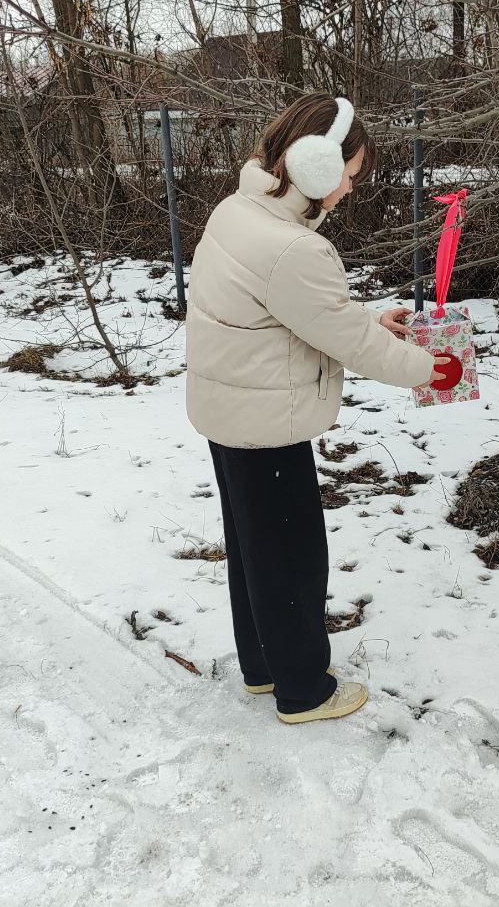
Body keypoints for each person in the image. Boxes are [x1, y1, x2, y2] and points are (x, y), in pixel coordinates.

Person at [185, 93, 449, 725]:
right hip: (267, 424)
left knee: (255, 551)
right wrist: (432, 367)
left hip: (232, 414)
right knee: (293, 559)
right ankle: (303, 689)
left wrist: (367, 317)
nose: (350, 190)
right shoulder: (295, 249)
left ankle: (264, 667)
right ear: (313, 166)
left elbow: (299, 313)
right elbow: (348, 340)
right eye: (348, 175)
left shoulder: (238, 210)